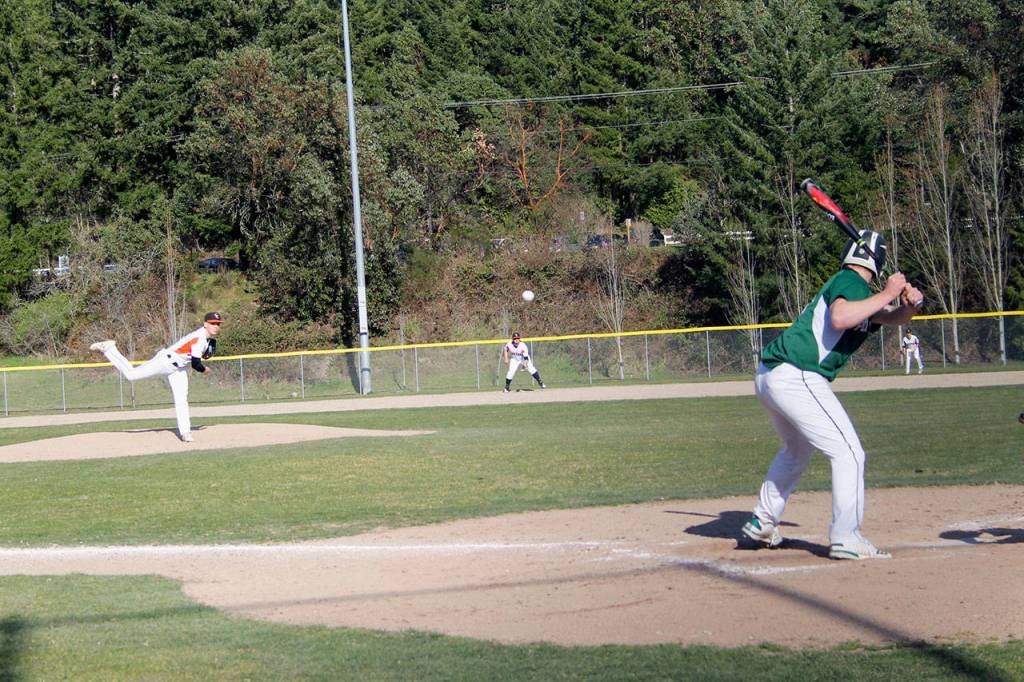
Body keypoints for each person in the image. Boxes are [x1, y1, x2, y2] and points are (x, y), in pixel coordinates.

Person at [740, 230, 923, 560]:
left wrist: (908, 307)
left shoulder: (859, 291)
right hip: (798, 373)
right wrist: (888, 291)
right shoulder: (851, 281)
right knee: (850, 453)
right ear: (876, 259)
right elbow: (840, 318)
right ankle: (846, 537)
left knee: (796, 450)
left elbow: (888, 316)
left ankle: (763, 521)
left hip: (773, 376)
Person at [90, 312, 223, 442]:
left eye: (218, 324)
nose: (216, 326)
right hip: (165, 361)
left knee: (181, 399)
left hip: (179, 369)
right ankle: (109, 349)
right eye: (213, 323)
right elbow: (195, 364)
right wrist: (204, 369)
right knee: (131, 375)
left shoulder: (205, 339)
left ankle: (185, 432)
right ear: (205, 324)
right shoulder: (199, 338)